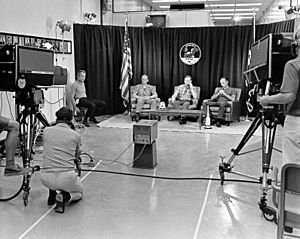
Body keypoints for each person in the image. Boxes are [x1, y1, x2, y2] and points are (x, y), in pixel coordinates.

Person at [259, 34, 300, 166]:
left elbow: (289, 96)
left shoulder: (293, 65)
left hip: (296, 120)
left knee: (293, 164)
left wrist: (266, 99)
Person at [41, 107, 83, 213]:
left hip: (46, 177)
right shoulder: (76, 135)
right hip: (67, 177)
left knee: (52, 163)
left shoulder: (46, 131)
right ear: (71, 119)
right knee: (79, 193)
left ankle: (52, 192)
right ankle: (64, 196)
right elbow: (77, 155)